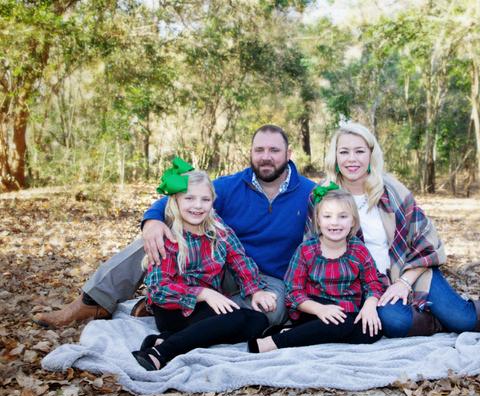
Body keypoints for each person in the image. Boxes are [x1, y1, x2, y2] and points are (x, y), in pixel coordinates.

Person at [307, 121, 480, 338]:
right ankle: (438, 321)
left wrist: (404, 282)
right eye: (344, 151)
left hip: (409, 270)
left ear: (371, 154)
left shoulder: (391, 190)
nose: (352, 159)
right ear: (335, 156)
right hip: (365, 284)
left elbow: (425, 239)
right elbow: (314, 249)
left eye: (359, 151)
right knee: (395, 323)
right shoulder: (323, 196)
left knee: (462, 319)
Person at [33, 125, 315, 329]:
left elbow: (334, 220)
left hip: (268, 279)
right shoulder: (229, 186)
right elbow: (178, 198)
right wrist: (152, 221)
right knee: (156, 238)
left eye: (274, 150)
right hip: (222, 268)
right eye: (259, 150)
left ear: (288, 153)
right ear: (250, 152)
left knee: (271, 312)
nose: (266, 157)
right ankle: (93, 301)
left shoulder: (308, 193)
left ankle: (175, 306)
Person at [132, 160, 273, 370]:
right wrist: (203, 293)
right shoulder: (169, 237)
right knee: (234, 319)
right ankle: (161, 353)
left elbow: (239, 260)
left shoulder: (218, 230)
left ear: (212, 202)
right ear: (176, 201)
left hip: (204, 308)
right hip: (173, 308)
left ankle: (165, 340)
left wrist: (256, 290)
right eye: (189, 198)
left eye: (205, 199)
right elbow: (158, 289)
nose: (198, 206)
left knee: (258, 321)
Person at [248, 187, 383, 353]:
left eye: (343, 216)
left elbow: (372, 282)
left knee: (373, 330)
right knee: (340, 324)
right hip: (312, 309)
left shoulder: (358, 249)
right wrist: (320, 309)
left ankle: (295, 333)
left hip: (347, 310)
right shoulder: (306, 250)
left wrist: (370, 305)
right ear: (318, 220)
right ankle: (274, 342)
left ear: (353, 221)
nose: (335, 222)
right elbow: (293, 292)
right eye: (327, 216)